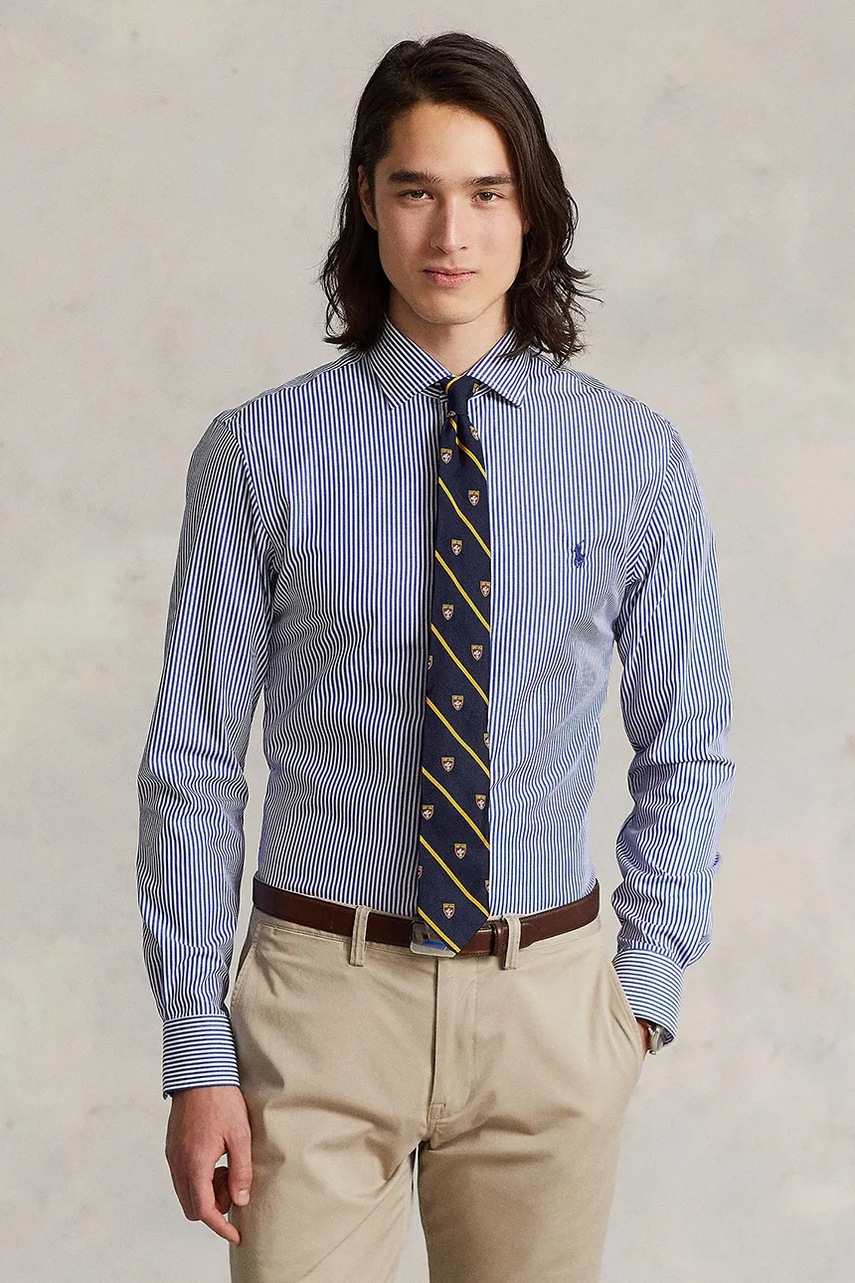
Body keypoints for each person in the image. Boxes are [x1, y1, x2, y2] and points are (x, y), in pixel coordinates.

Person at [137, 30, 735, 1283]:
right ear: (368, 201)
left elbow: (688, 743)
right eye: (416, 190)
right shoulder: (259, 454)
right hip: (320, 1005)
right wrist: (197, 1044)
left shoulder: (635, 458)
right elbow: (193, 761)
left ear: (533, 208)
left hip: (547, 1010)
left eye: (486, 192)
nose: (450, 233)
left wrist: (642, 988)